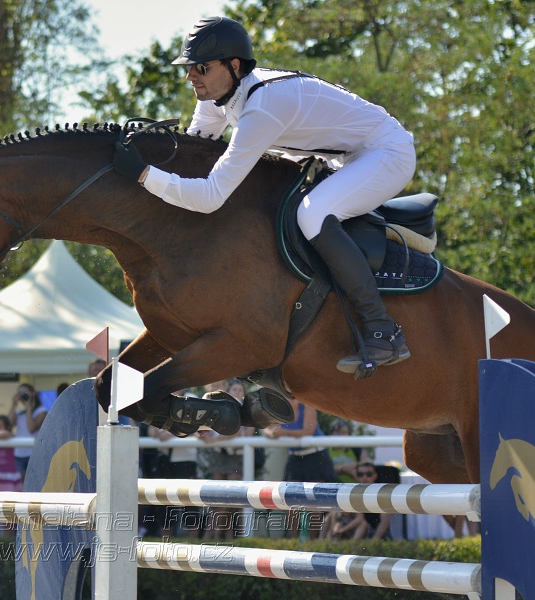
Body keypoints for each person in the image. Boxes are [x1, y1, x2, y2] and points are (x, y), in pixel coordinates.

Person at [112, 16, 416, 375]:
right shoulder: (216, 96)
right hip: (343, 157)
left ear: (234, 66)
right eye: (190, 68)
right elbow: (194, 159)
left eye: (201, 68)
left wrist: (144, 175)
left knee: (312, 214)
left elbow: (210, 195)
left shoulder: (263, 106)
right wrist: (148, 155)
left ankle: (381, 328)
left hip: (386, 153)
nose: (192, 76)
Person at [262, 398, 335, 539]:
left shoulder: (308, 406)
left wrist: (282, 432)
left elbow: (308, 431)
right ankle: (292, 541)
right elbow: (267, 427)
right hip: (295, 457)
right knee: (290, 499)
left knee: (313, 502)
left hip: (315, 456)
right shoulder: (280, 409)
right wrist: (272, 434)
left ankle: (312, 542)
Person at [197, 380, 251, 541]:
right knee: (219, 500)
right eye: (234, 389)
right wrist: (204, 435)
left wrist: (214, 440)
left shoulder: (245, 408)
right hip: (219, 456)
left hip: (237, 457)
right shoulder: (220, 405)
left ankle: (234, 538)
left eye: (239, 389)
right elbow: (201, 430)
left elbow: (236, 432)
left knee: (233, 499)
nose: (236, 392)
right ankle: (212, 536)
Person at [8, 383, 47, 478]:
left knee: (32, 481)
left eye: (24, 392)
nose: (22, 395)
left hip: (33, 453)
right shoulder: (19, 412)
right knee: (20, 483)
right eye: (20, 393)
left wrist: (29, 408)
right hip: (19, 453)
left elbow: (31, 428)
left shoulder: (41, 411)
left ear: (33, 394)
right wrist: (14, 405)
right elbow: (8, 425)